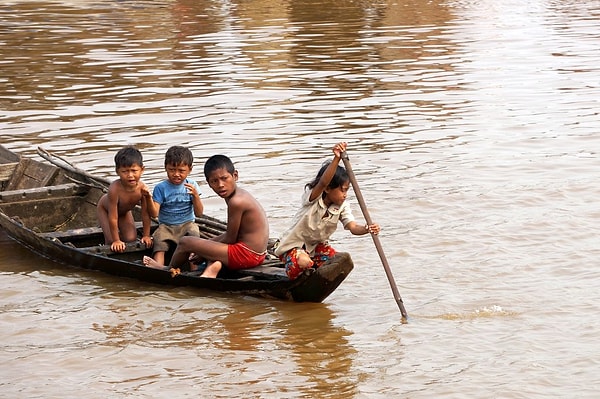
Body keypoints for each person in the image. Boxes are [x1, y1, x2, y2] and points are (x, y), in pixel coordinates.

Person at [143, 154, 269, 278]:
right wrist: (205, 246)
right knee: (208, 246)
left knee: (185, 242)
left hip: (247, 255)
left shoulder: (236, 201)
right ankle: (212, 269)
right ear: (209, 183)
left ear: (235, 175)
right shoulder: (239, 194)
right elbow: (231, 237)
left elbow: (230, 238)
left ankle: (167, 268)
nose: (220, 185)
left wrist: (201, 250)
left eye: (224, 178)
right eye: (214, 181)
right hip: (258, 255)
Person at [274, 142, 381, 280]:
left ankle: (311, 269)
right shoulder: (313, 197)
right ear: (328, 189)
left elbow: (353, 227)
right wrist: (336, 159)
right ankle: (304, 267)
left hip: (315, 248)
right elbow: (323, 183)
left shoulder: (342, 206)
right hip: (292, 246)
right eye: (342, 190)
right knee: (304, 262)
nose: (345, 195)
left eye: (346, 190)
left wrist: (367, 228)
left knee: (340, 261)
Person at [142, 146, 204, 267]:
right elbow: (154, 213)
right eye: (172, 170)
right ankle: (158, 268)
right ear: (166, 168)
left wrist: (196, 196)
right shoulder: (161, 188)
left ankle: (194, 271)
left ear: (190, 170)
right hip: (166, 226)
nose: (176, 174)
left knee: (194, 238)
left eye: (181, 171)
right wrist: (148, 198)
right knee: (159, 242)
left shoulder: (192, 185)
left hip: (187, 224)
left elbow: (199, 213)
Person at [97, 146, 154, 253]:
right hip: (106, 210)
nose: (130, 175)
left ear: (142, 170)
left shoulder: (142, 189)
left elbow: (146, 214)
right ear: (117, 171)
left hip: (124, 211)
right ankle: (110, 242)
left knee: (130, 239)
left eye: (134, 171)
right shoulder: (114, 189)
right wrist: (116, 240)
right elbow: (113, 217)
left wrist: (146, 235)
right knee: (111, 241)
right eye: (125, 171)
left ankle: (121, 237)